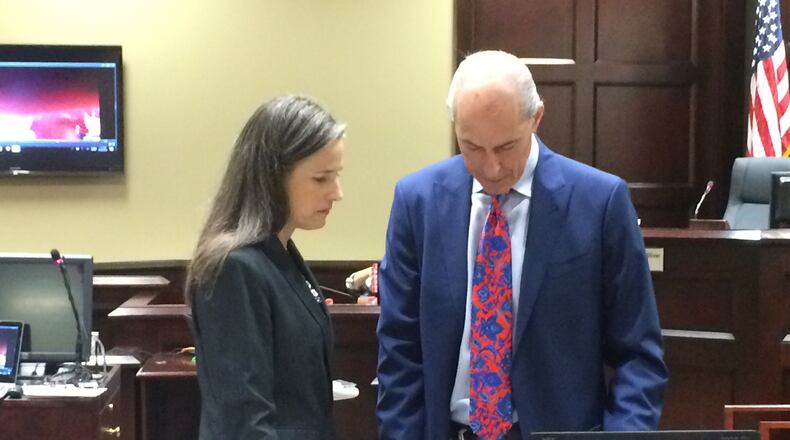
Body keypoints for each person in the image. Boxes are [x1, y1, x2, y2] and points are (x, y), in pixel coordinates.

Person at [376, 50, 668, 440]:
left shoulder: (599, 202)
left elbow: (639, 356)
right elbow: (399, 349)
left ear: (537, 118)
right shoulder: (418, 201)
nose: (491, 168)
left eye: (506, 147)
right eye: (472, 147)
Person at [185, 95, 345, 440]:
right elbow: (244, 420)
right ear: (273, 176)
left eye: (336, 176)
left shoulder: (281, 255)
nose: (337, 193)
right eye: (321, 179)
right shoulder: (235, 268)